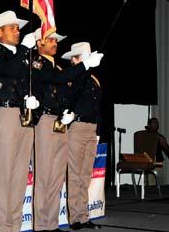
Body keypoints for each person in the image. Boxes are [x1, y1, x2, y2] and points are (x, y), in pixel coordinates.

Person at [31, 30, 103, 232]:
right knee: (46, 175)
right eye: (50, 39)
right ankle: (42, 224)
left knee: (55, 177)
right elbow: (59, 80)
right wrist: (84, 67)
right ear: (39, 43)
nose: (54, 43)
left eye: (56, 40)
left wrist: (66, 112)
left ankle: (51, 224)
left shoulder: (60, 68)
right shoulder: (38, 64)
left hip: (60, 121)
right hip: (46, 120)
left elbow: (68, 94)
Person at [0, 10, 39, 232]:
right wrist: (24, 48)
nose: (17, 31)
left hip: (25, 116)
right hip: (5, 115)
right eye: (12, 28)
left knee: (21, 175)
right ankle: (4, 228)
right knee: (5, 175)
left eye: (18, 27)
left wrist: (35, 103)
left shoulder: (23, 56)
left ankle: (14, 226)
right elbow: (8, 70)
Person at [61, 42, 102, 230]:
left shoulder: (93, 79)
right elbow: (70, 95)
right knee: (75, 175)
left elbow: (98, 107)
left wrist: (98, 131)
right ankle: (74, 218)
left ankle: (84, 215)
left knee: (86, 175)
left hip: (91, 128)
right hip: (77, 127)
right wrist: (83, 71)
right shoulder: (74, 79)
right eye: (80, 57)